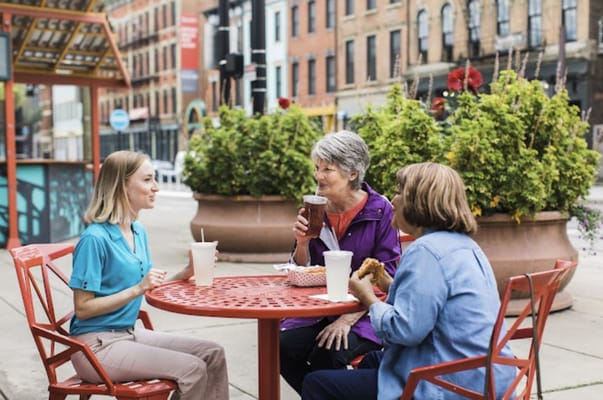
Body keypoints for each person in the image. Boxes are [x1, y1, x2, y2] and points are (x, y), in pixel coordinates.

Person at [300, 162, 516, 400]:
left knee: (317, 383)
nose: (392, 200)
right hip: (484, 375)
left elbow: (405, 330)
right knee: (374, 360)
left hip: (450, 384)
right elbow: (429, 305)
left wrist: (368, 298)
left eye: (400, 192)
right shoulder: (465, 246)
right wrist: (387, 284)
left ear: (418, 203)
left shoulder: (426, 252)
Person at [68, 150, 229, 400]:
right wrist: (137, 289)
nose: (156, 187)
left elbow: (148, 286)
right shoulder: (94, 239)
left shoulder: (137, 230)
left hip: (130, 333)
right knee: (192, 369)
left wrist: (186, 273)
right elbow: (83, 308)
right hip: (95, 347)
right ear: (122, 185)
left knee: (213, 353)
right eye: (147, 180)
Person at [280, 130, 401, 394]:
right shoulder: (315, 210)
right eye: (317, 168)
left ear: (352, 173)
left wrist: (346, 320)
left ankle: (323, 392)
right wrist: (301, 242)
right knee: (280, 346)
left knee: (329, 352)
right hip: (319, 310)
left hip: (365, 311)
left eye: (328, 169)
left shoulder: (380, 210)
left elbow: (386, 274)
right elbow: (302, 270)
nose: (318, 176)